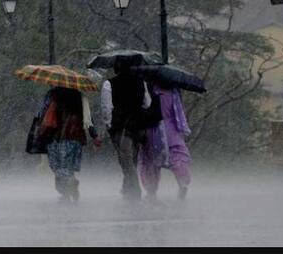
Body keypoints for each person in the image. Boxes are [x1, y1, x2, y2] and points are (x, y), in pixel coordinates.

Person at [100, 56, 152, 201]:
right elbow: (147, 103)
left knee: (125, 159)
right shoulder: (141, 82)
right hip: (138, 126)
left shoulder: (109, 84)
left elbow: (106, 108)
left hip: (121, 126)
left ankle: (134, 190)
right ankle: (128, 188)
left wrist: (109, 125)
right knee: (132, 158)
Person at [39, 86, 102, 203]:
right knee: (69, 167)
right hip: (76, 138)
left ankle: (67, 189)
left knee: (57, 167)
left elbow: (43, 114)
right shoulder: (80, 96)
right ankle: (69, 185)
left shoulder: (52, 94)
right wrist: (94, 135)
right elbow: (88, 118)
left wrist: (40, 133)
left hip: (56, 137)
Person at [138, 83, 192, 202]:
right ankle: (182, 182)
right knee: (178, 157)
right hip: (172, 130)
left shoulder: (147, 89)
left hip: (153, 130)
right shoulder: (173, 91)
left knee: (150, 162)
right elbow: (178, 112)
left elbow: (144, 110)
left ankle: (151, 190)